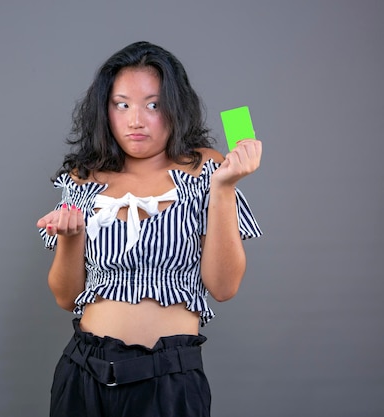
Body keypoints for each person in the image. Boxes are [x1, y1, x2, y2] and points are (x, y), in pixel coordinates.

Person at [36, 41, 262, 417]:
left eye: (152, 105)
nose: (135, 120)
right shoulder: (83, 177)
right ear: (104, 109)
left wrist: (224, 188)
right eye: (121, 104)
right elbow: (66, 297)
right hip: (84, 374)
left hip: (170, 379)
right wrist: (72, 237)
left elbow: (224, 288)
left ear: (175, 107)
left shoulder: (208, 168)